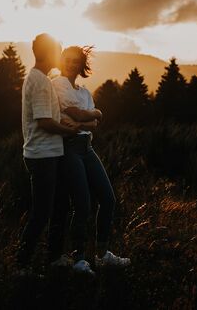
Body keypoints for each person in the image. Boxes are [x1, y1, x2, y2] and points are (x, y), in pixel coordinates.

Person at [52, 45, 131, 275]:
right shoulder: (58, 84)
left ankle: (103, 254)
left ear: (81, 65)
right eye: (67, 59)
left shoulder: (85, 92)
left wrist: (92, 116)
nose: (70, 63)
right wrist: (94, 114)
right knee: (83, 204)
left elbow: (92, 123)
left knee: (108, 198)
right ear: (61, 60)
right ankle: (79, 259)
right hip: (69, 149)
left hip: (87, 147)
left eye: (75, 60)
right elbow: (77, 114)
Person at [15, 33, 80, 273]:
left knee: (60, 205)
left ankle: (54, 257)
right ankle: (21, 265)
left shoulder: (38, 77)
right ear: (48, 53)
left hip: (50, 153)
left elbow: (47, 116)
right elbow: (44, 122)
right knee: (41, 212)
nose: (60, 56)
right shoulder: (41, 81)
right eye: (58, 50)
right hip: (42, 156)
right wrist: (68, 131)